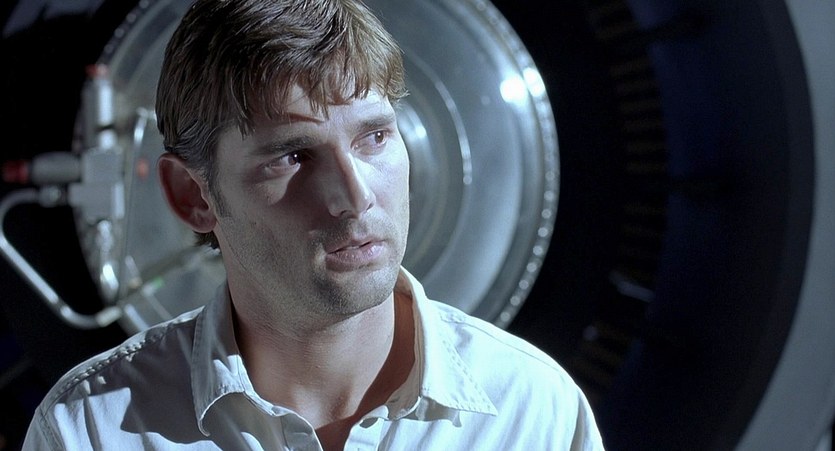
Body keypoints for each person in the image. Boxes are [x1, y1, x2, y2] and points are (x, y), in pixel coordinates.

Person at [23, 0, 604, 449]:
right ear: (192, 195)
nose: (355, 197)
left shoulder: (532, 413)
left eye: (375, 137)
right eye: (293, 156)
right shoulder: (90, 431)